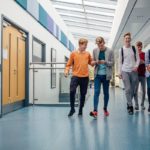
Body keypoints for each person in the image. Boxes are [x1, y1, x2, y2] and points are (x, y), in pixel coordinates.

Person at [64, 38, 93, 117]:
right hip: (75, 76)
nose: (86, 47)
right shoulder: (73, 53)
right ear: (80, 44)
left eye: (86, 45)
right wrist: (66, 71)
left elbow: (91, 63)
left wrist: (95, 61)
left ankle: (80, 109)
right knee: (72, 91)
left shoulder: (88, 54)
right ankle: (72, 109)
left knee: (83, 94)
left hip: (85, 77)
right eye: (85, 45)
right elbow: (68, 64)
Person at [90, 36, 114, 118]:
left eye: (100, 44)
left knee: (106, 93)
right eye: (97, 44)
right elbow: (92, 62)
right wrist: (95, 62)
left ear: (103, 42)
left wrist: (105, 62)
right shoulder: (94, 50)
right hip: (97, 75)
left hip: (106, 75)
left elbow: (112, 63)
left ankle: (105, 108)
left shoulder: (110, 51)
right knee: (96, 92)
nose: (99, 46)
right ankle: (95, 110)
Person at [119, 32, 140, 115]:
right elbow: (120, 62)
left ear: (130, 39)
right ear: (124, 40)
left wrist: (136, 66)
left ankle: (128, 102)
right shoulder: (121, 50)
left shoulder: (134, 48)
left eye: (128, 38)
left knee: (133, 89)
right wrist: (119, 72)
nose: (127, 39)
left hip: (133, 70)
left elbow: (138, 59)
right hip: (125, 71)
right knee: (127, 89)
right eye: (126, 38)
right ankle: (130, 106)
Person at [134, 41, 146, 110]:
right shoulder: (135, 54)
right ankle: (136, 105)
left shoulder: (144, 54)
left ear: (141, 46)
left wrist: (142, 62)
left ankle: (142, 104)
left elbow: (145, 62)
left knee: (144, 91)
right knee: (135, 90)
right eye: (138, 46)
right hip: (136, 75)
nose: (139, 48)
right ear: (136, 47)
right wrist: (139, 62)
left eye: (140, 46)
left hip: (143, 75)